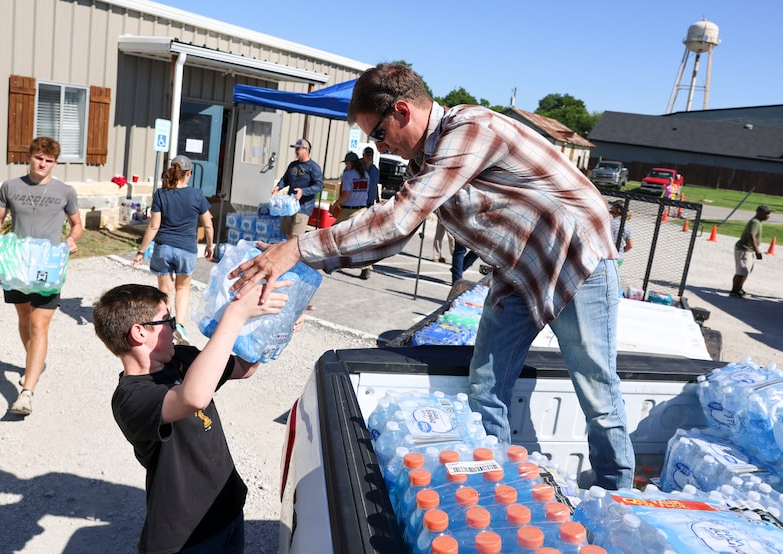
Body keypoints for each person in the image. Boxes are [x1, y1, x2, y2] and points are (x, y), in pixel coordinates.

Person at [229, 63, 634, 490]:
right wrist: (305, 260)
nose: (380, 147)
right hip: (517, 272)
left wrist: (298, 246)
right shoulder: (424, 163)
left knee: (595, 390)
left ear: (402, 111)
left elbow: (397, 221)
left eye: (378, 135)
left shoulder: (471, 129)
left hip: (576, 260)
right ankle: (495, 485)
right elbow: (389, 239)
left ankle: (617, 494)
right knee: (485, 386)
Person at [92, 282, 287, 553]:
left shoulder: (180, 357)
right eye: (166, 320)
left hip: (226, 508)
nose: (174, 326)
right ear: (139, 333)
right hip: (185, 536)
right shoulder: (131, 397)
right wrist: (233, 317)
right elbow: (193, 397)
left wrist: (275, 324)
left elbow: (244, 368)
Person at [0, 136, 82, 416]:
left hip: (48, 267)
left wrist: (72, 240)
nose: (43, 164)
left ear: (55, 162)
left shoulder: (65, 191)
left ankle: (26, 392)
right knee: (24, 318)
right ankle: (33, 364)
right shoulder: (10, 187)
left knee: (39, 324)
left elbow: (77, 224)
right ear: (30, 157)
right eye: (39, 158)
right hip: (16, 265)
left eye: (49, 160)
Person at [132, 155, 214, 345]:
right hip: (187, 249)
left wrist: (141, 252)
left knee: (165, 290)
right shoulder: (197, 195)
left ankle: (165, 326)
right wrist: (210, 245)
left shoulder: (161, 194)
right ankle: (181, 326)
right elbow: (208, 224)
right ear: (189, 173)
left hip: (164, 247)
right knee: (183, 288)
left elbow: (153, 225)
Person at [331, 152, 373, 279]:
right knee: (360, 239)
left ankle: (333, 261)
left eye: (346, 163)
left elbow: (346, 195)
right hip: (362, 209)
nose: (346, 165)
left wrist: (335, 204)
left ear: (350, 163)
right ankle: (367, 267)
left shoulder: (348, 175)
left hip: (349, 210)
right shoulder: (365, 175)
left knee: (334, 234)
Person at [273, 139, 324, 239]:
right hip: (289, 205)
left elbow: (319, 186)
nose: (296, 151)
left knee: (295, 236)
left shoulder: (313, 167)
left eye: (298, 149)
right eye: (295, 149)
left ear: (306, 150)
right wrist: (278, 187)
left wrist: (303, 191)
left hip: (303, 207)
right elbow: (285, 179)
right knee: (287, 234)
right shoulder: (293, 165)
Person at [730, 204, 772, 298]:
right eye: (767, 213)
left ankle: (738, 289)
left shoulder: (758, 222)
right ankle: (735, 291)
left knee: (744, 271)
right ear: (759, 213)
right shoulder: (755, 222)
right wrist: (757, 250)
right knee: (742, 271)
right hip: (744, 249)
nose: (768, 215)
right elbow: (751, 236)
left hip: (747, 249)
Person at [608, 200, 633, 265]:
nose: (611, 208)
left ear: (618, 210)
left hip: (606, 256)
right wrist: (621, 251)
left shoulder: (608, 223)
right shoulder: (627, 226)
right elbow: (630, 246)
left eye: (613, 207)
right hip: (619, 258)